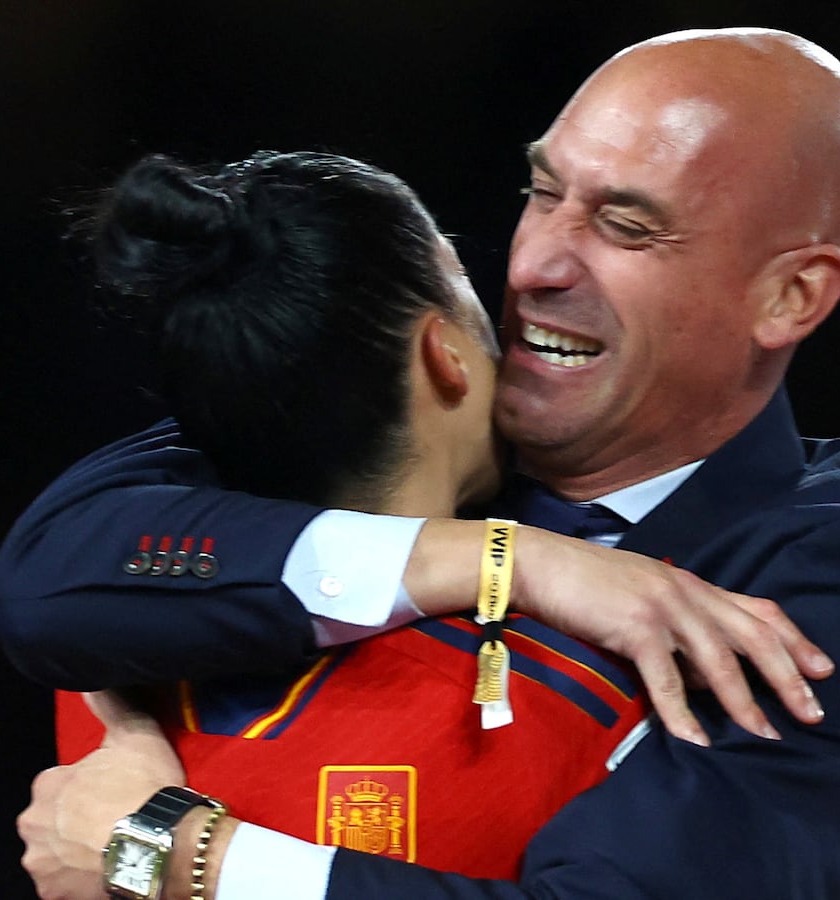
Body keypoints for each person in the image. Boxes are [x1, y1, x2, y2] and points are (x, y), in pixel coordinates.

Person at [0, 26, 840, 900]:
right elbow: (51, 574)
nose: (534, 265)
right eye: (544, 193)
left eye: (626, 226)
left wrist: (178, 854)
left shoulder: (839, 590)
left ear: (790, 296)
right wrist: (509, 558)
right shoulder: (415, 413)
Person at [45, 147, 691, 879]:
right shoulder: (602, 692)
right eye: (459, 280)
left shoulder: (101, 663)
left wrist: (149, 854)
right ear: (443, 352)